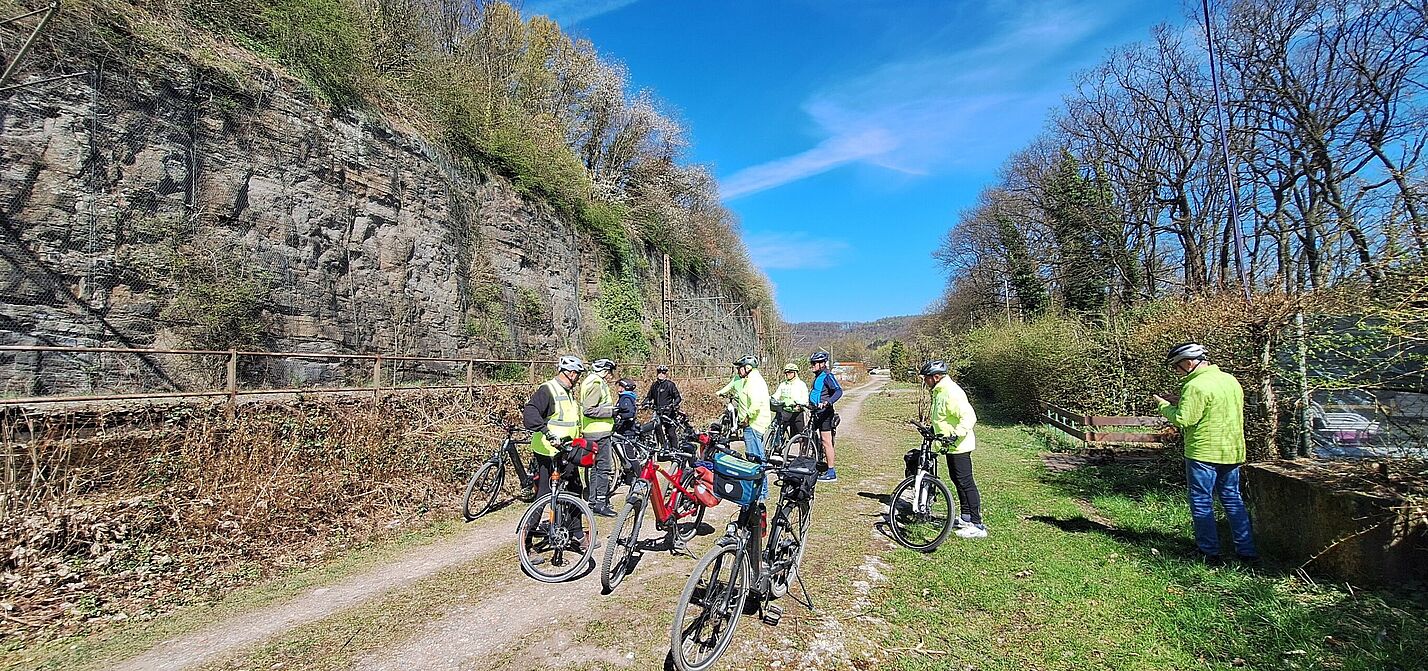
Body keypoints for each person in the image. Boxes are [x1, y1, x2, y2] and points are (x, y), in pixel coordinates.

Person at [1155, 342, 1258, 565]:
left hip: (1203, 452)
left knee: (1202, 501)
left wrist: (1163, 406)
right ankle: (1247, 552)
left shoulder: (1196, 386)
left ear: (1189, 363)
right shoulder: (1230, 380)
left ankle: (1208, 552)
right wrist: (1178, 401)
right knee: (1233, 500)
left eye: (1177, 366)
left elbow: (1184, 419)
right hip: (1232, 450)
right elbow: (1213, 407)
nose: (1176, 370)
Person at [521, 355, 594, 549]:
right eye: (577, 374)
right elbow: (530, 413)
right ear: (570, 373)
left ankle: (577, 534)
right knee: (544, 493)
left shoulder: (568, 391)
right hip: (548, 450)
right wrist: (546, 431)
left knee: (575, 488)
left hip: (566, 449)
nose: (578, 378)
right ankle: (526, 543)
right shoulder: (548, 390)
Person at [920, 360, 987, 538]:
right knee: (957, 480)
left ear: (936, 377)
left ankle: (977, 524)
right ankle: (966, 517)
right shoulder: (940, 391)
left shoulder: (951, 392)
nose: (925, 381)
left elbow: (969, 417)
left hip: (959, 445)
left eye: (926, 378)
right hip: (949, 446)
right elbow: (943, 417)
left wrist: (955, 434)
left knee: (966, 482)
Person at [579, 358, 619, 517]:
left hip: (591, 431)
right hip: (599, 433)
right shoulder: (596, 384)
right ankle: (600, 504)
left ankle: (594, 500)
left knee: (594, 468)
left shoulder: (589, 381)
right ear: (604, 370)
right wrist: (611, 412)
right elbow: (589, 410)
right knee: (604, 468)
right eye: (609, 372)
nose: (610, 376)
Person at [808, 351, 843, 481]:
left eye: (814, 363)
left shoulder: (828, 376)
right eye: (812, 363)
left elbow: (838, 391)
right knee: (808, 437)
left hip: (825, 414)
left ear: (822, 364)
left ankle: (831, 471)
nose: (812, 365)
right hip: (815, 412)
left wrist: (828, 402)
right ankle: (812, 464)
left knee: (826, 442)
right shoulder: (818, 376)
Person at [732, 354, 771, 461]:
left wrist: (747, 419)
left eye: (740, 368)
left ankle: (760, 478)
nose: (738, 371)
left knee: (755, 458)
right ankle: (759, 477)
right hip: (753, 424)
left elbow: (756, 403)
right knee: (755, 456)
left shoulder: (754, 381)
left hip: (753, 424)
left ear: (747, 367)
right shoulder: (751, 379)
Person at [646, 364, 683, 451]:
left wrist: (673, 405)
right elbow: (649, 397)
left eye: (663, 372)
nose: (661, 374)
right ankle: (662, 447)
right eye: (659, 372)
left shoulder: (670, 385)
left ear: (666, 374)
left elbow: (678, 397)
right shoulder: (654, 385)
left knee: (671, 432)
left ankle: (675, 450)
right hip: (658, 412)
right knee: (656, 427)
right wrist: (643, 404)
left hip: (668, 412)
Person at [771, 362, 809, 442]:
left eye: (790, 372)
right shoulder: (783, 385)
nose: (788, 374)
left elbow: (805, 399)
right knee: (777, 428)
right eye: (786, 372)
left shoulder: (801, 384)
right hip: (785, 411)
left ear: (795, 373)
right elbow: (776, 395)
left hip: (797, 412)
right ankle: (776, 445)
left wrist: (799, 403)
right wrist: (771, 399)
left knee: (801, 436)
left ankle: (802, 453)